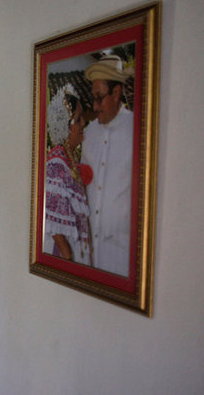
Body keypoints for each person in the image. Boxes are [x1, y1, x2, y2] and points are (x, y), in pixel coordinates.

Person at [81, 54, 134, 277]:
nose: (95, 106)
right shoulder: (89, 133)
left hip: (122, 251)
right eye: (93, 98)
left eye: (100, 98)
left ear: (116, 92)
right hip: (90, 250)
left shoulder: (135, 128)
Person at [44, 83, 93, 265]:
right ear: (67, 126)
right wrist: (68, 259)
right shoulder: (57, 163)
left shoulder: (70, 159)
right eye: (78, 120)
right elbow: (52, 223)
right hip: (64, 255)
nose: (83, 124)